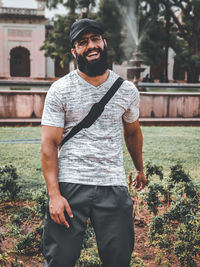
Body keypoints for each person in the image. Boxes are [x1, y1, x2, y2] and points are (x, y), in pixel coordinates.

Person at [41, 18, 147, 267]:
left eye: (95, 39)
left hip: (113, 184)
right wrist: (54, 195)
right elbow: (49, 144)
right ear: (74, 51)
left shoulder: (127, 90)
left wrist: (139, 168)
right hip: (70, 186)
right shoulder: (60, 89)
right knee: (60, 260)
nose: (91, 45)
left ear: (104, 42)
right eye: (82, 42)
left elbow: (132, 132)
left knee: (118, 260)